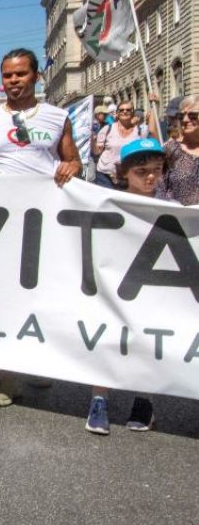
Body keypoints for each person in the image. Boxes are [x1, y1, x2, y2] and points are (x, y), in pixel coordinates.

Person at [0, 48, 81, 407]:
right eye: (8, 75)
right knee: (4, 299)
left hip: (44, 226)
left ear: (37, 76)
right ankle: (5, 375)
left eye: (21, 74)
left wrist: (72, 166)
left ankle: (39, 361)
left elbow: (72, 159)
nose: (14, 81)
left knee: (41, 296)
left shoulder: (59, 117)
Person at [85, 138, 171, 434]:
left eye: (156, 171)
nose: (150, 177)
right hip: (115, 285)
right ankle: (99, 399)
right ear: (124, 173)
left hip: (154, 288)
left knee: (147, 342)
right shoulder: (109, 204)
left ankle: (143, 400)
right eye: (142, 170)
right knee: (107, 339)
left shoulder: (171, 208)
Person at [92, 101, 150, 188]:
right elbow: (97, 152)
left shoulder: (141, 131)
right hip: (105, 176)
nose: (125, 111)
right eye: (121, 110)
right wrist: (92, 141)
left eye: (128, 109)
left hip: (129, 177)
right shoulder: (107, 129)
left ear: (133, 112)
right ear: (118, 113)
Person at [161, 95, 199, 206]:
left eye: (192, 116)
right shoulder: (169, 150)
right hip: (177, 220)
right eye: (181, 116)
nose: (186, 120)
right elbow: (158, 190)